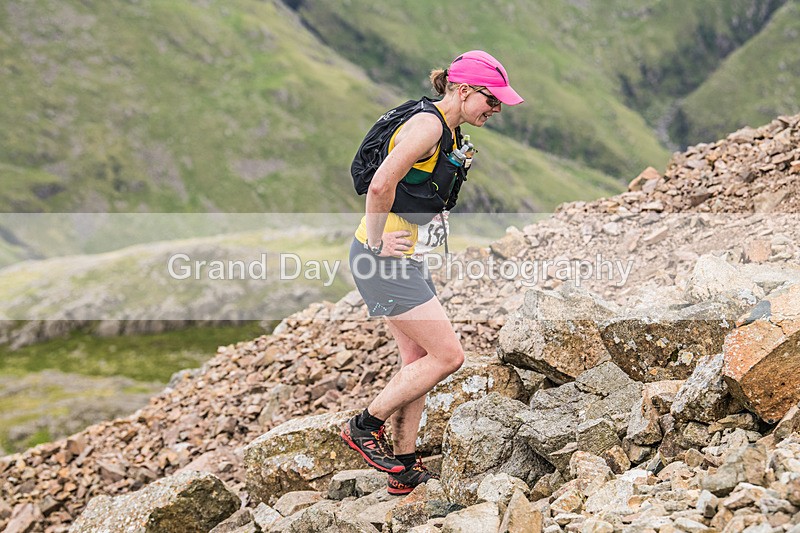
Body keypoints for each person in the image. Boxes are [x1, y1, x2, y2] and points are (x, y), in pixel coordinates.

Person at [340, 50, 524, 495]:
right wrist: (377, 242)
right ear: (463, 90)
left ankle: (402, 467)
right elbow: (382, 183)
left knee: (418, 360)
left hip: (402, 257)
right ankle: (364, 426)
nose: (495, 109)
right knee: (449, 357)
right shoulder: (427, 127)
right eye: (491, 99)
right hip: (383, 259)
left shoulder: (448, 127)